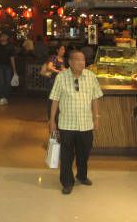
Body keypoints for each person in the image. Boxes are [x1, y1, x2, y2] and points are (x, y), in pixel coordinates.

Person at [49, 50, 103, 195]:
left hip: (85, 123)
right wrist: (52, 120)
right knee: (66, 155)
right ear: (70, 62)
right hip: (67, 124)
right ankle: (67, 182)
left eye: (84, 60)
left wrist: (96, 117)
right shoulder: (61, 77)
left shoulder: (90, 76)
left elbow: (95, 98)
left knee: (84, 152)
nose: (82, 63)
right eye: (78, 60)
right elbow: (55, 99)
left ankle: (82, 175)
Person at [46, 45, 67, 119]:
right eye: (61, 49)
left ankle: (56, 116)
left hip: (60, 82)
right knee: (52, 99)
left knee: (58, 99)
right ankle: (50, 117)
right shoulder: (53, 57)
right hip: (52, 81)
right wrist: (58, 71)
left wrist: (65, 70)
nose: (63, 51)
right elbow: (49, 67)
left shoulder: (63, 59)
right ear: (57, 50)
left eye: (64, 49)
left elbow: (62, 68)